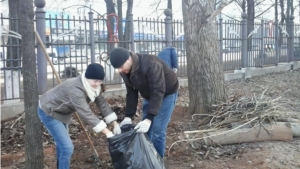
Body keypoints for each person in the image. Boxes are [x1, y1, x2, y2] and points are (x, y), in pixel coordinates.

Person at [38, 63, 121, 169]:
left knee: (62, 146)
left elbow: (102, 104)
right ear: (87, 77)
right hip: (49, 111)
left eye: (100, 81)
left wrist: (115, 123)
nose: (97, 84)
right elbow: (85, 112)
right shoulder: (76, 88)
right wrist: (107, 132)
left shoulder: (94, 87)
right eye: (95, 81)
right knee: (67, 147)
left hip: (62, 111)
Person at [109, 47, 179, 158]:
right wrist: (128, 116)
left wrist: (149, 118)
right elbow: (131, 92)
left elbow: (158, 90)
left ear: (128, 59)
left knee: (158, 130)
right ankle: (147, 157)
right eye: (118, 69)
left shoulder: (150, 63)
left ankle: (157, 161)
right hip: (150, 95)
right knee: (145, 130)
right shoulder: (124, 70)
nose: (120, 70)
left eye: (121, 67)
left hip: (167, 93)